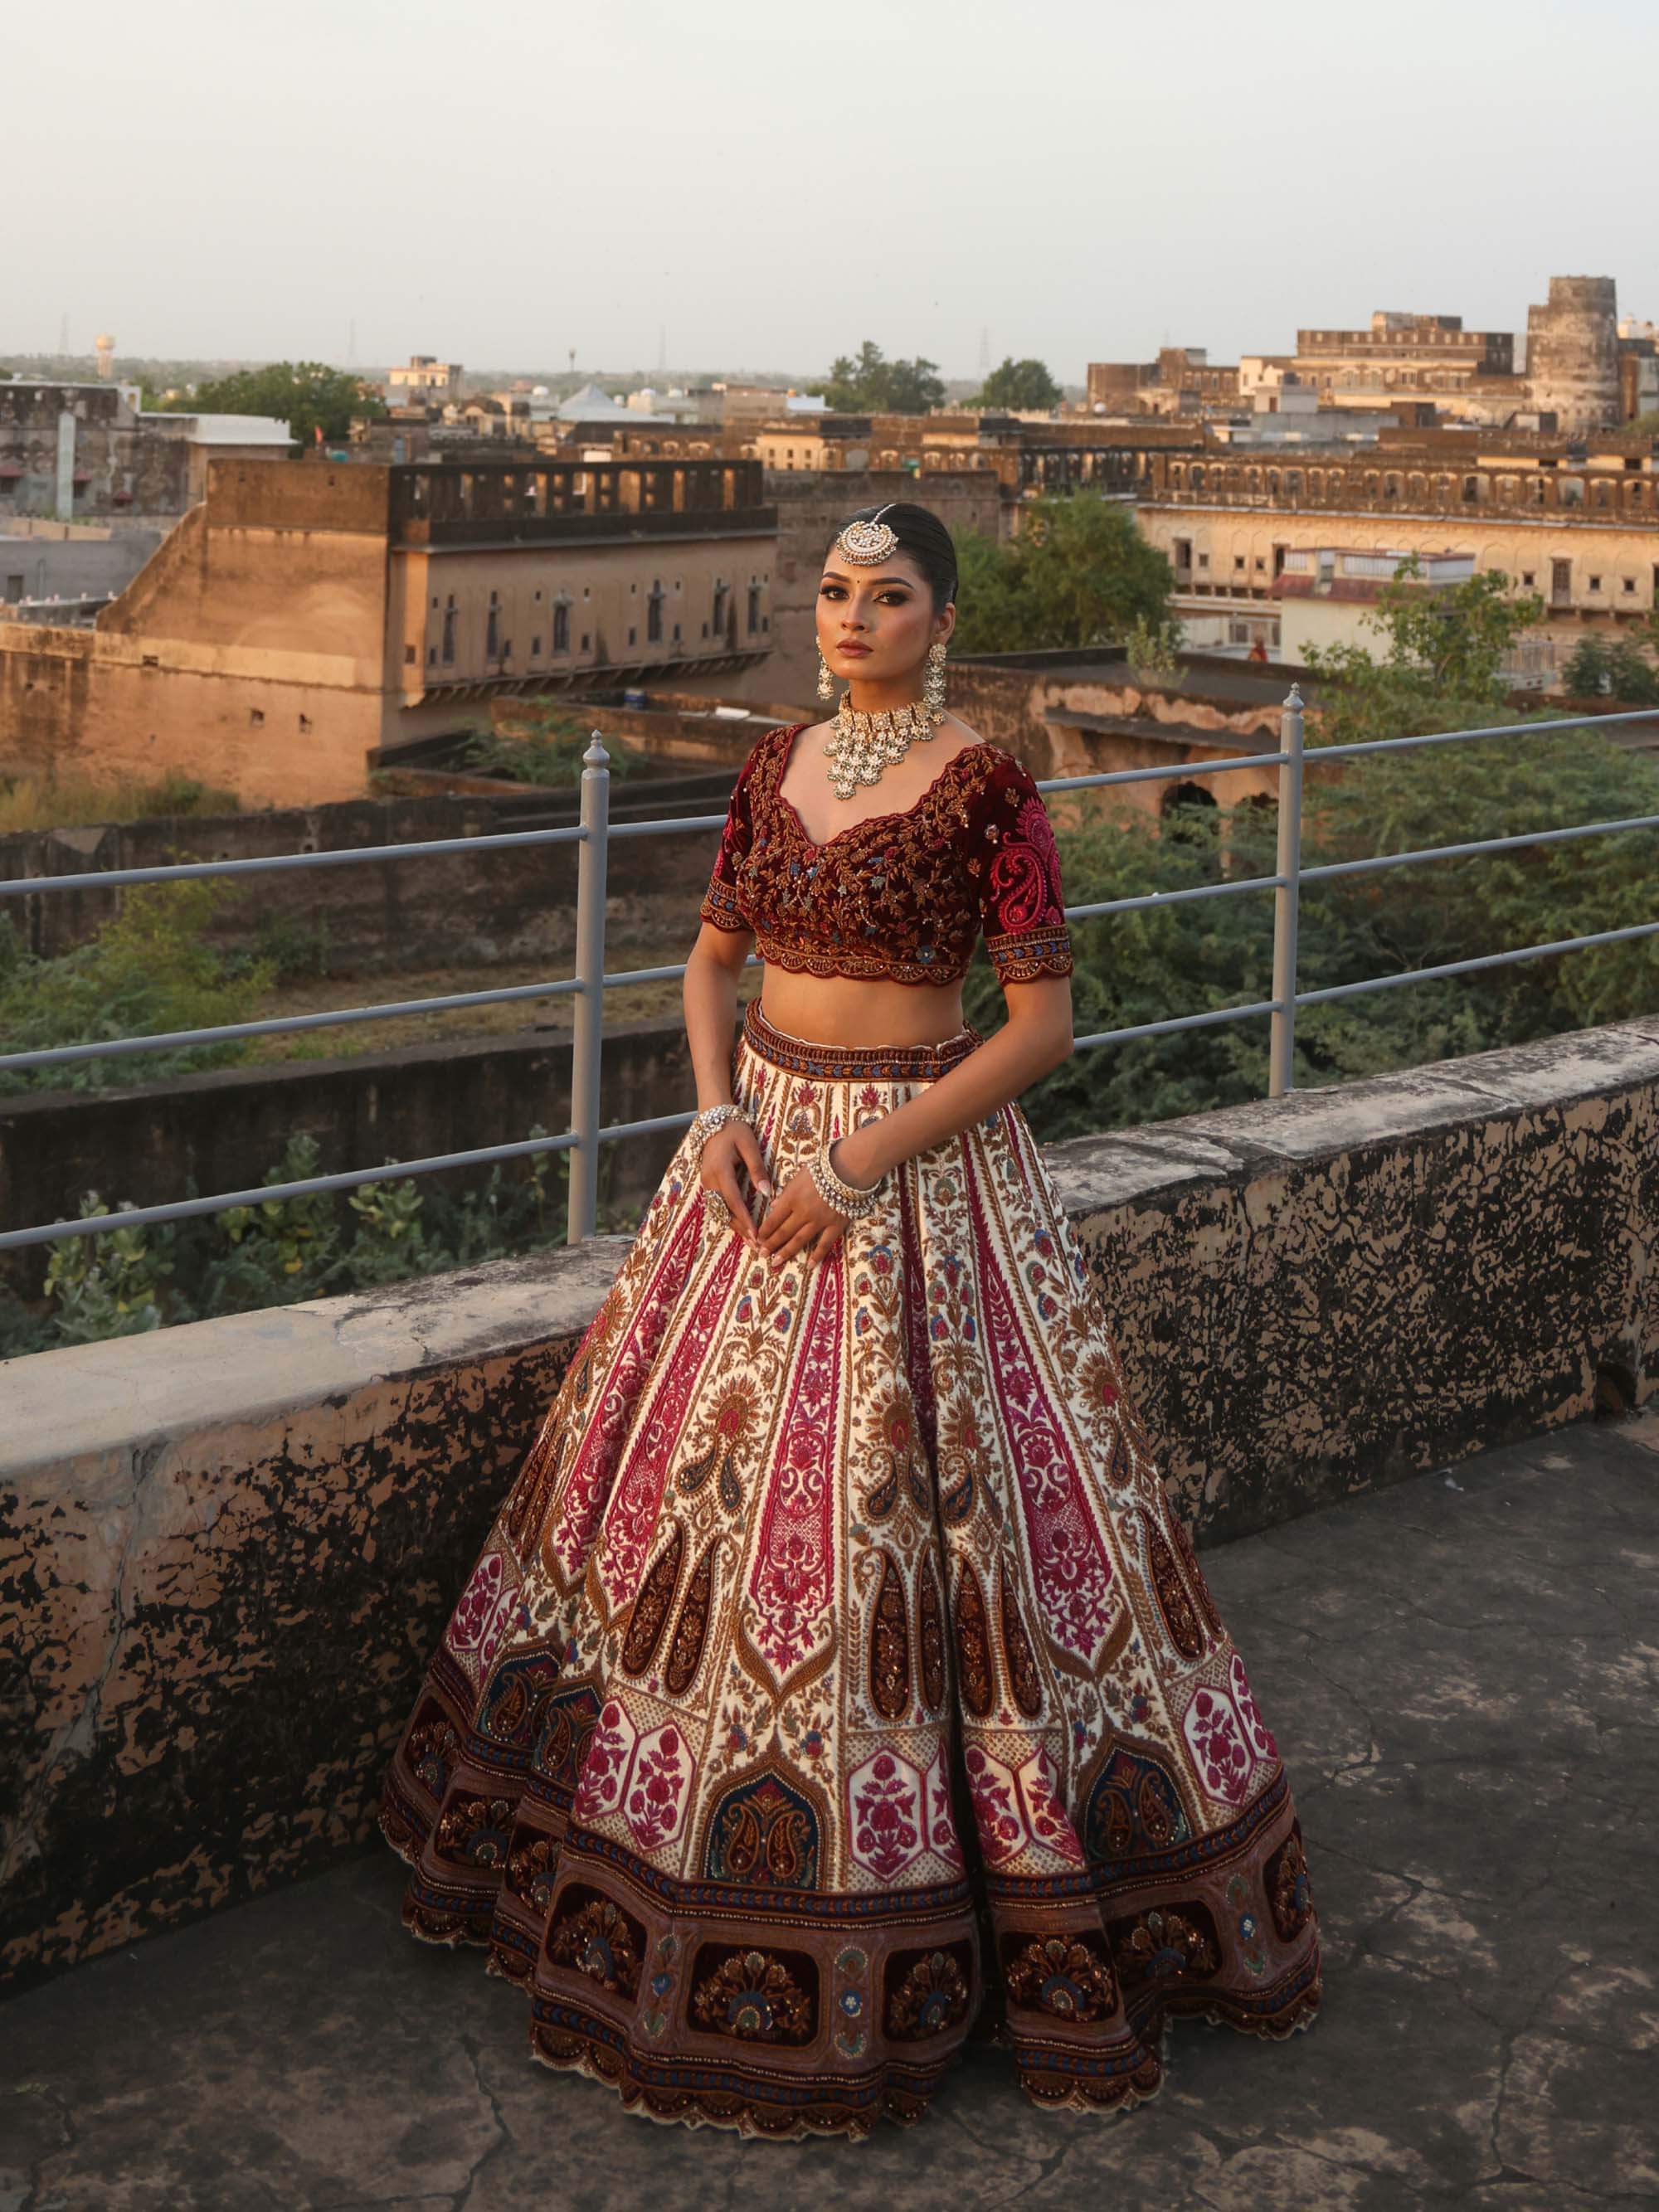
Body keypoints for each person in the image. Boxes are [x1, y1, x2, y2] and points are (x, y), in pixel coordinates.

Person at [378, 501, 1321, 2140]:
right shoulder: (773, 769)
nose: (853, 615)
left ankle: (954, 1903)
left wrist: (865, 1164)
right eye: (831, 590)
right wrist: (714, 1116)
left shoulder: (985, 783)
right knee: (704, 1512)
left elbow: (1040, 1026)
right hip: (750, 1165)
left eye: (887, 594)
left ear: (940, 615)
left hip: (920, 1179)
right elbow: (704, 962)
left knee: (916, 1519)